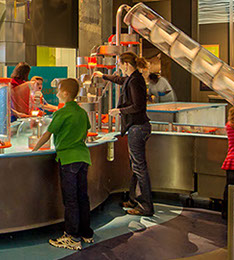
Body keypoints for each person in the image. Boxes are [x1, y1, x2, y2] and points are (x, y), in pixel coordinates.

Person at [32, 78, 94, 250]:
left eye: (59, 90)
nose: (57, 93)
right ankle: (86, 233)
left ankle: (72, 237)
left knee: (71, 199)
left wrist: (35, 150)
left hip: (68, 159)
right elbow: (85, 132)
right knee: (82, 197)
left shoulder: (62, 113)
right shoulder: (81, 112)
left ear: (65, 93)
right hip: (83, 157)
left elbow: (47, 134)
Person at [96, 52, 153, 216]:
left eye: (120, 64)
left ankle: (146, 206)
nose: (119, 68)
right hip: (137, 127)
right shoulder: (133, 78)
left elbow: (138, 106)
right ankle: (134, 199)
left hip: (137, 128)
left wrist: (119, 111)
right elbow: (120, 80)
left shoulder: (135, 80)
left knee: (139, 168)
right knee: (135, 166)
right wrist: (103, 76)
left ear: (126, 64)